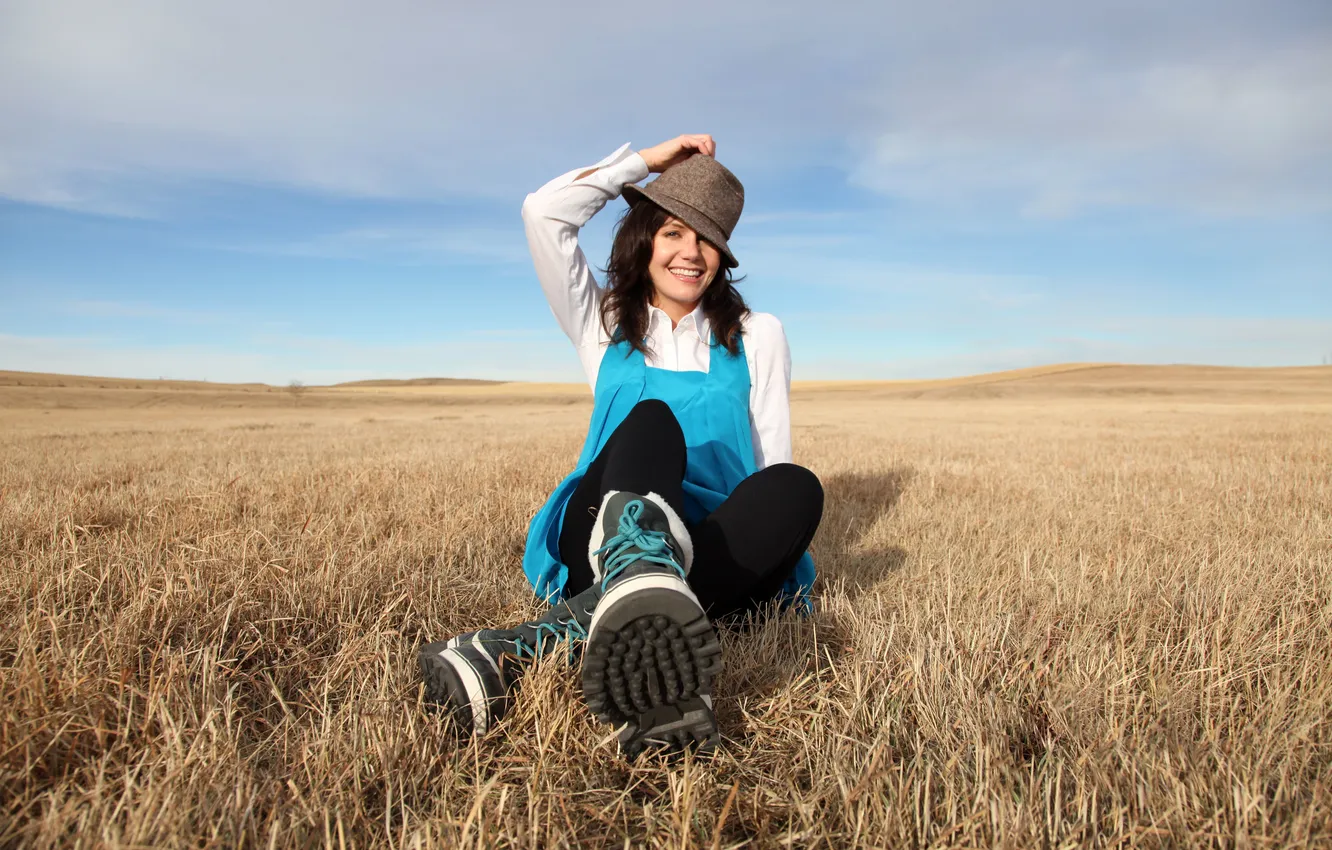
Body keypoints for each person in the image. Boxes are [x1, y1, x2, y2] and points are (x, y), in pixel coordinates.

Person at [418, 135, 824, 757]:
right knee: (652, 423)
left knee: (795, 485)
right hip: (602, 532)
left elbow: (769, 455)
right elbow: (543, 214)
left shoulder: (757, 335)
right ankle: (639, 580)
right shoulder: (604, 322)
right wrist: (646, 165)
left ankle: (528, 646)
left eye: (707, 239)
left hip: (711, 543)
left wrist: (774, 545)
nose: (692, 253)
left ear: (723, 255)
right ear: (644, 240)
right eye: (672, 233)